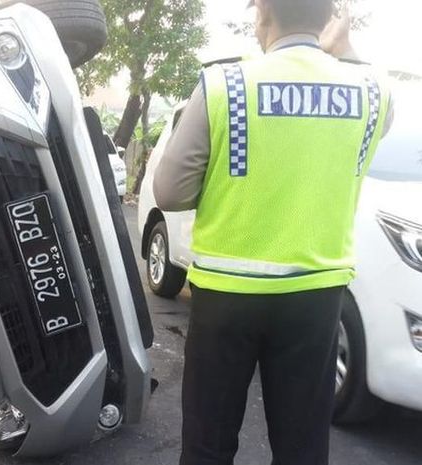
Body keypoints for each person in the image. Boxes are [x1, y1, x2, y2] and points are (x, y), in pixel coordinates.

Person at [153, 1, 393, 464]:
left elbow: (170, 191)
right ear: (328, 18)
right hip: (316, 298)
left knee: (208, 443)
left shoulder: (226, 85)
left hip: (227, 295)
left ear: (262, 13)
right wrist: (345, 49)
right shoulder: (372, 88)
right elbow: (377, 120)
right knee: (302, 446)